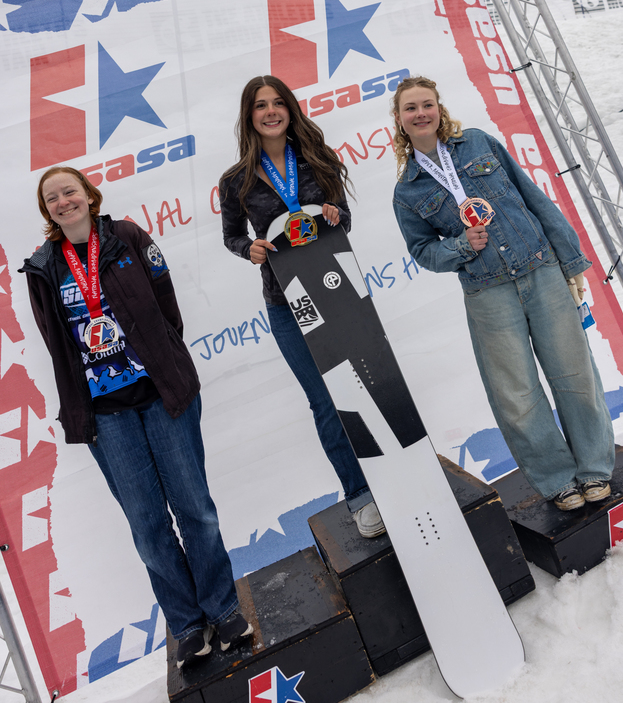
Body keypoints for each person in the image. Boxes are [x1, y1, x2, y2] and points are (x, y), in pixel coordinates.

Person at [20, 168, 252, 668]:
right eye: (52, 198)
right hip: (107, 417)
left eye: (69, 192)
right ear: (47, 211)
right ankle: (188, 625)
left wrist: (164, 356)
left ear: (88, 195)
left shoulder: (127, 237)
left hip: (162, 396)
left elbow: (167, 304)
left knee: (195, 510)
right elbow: (57, 347)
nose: (63, 202)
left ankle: (224, 609)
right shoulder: (43, 268)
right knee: (148, 528)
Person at [390, 76, 615, 511]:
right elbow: (422, 251)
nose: (420, 113)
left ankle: (594, 469)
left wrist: (570, 262)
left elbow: (534, 199)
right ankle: (556, 479)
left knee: (574, 374)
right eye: (410, 108)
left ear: (439, 108)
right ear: (399, 120)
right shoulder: (408, 191)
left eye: (427, 104)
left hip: (541, 269)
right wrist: (458, 246)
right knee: (515, 392)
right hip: (487, 291)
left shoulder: (478, 143)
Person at [219, 75, 384, 538]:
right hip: (287, 303)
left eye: (278, 103)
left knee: (371, 382)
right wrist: (246, 249)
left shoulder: (317, 158)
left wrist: (334, 215)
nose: (270, 112)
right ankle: (360, 495)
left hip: (338, 288)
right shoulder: (235, 181)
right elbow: (232, 236)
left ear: (290, 109)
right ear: (248, 116)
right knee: (326, 401)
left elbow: (343, 217)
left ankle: (396, 472)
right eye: (260, 105)